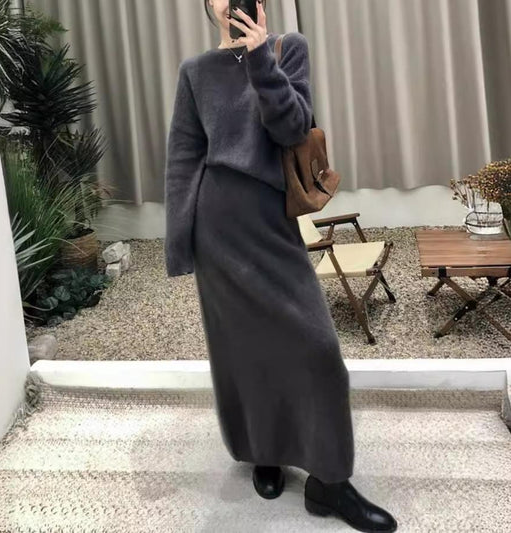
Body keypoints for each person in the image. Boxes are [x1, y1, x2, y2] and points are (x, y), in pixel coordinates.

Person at [164, 1, 398, 531]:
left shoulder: (286, 48)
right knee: (243, 352)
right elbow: (183, 156)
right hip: (216, 230)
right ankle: (263, 452)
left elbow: (293, 128)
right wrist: (180, 242)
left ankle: (329, 482)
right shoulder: (195, 72)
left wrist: (260, 60)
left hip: (271, 223)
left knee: (319, 348)